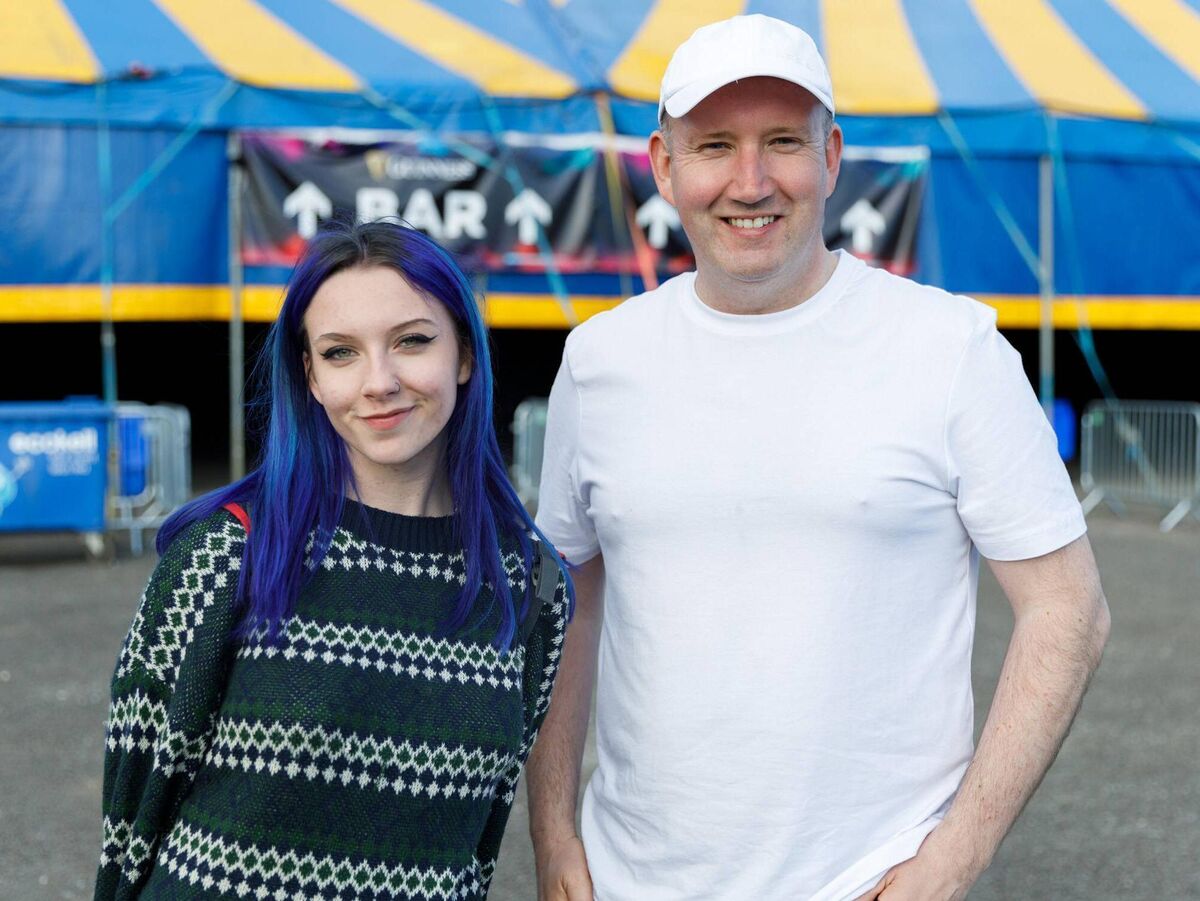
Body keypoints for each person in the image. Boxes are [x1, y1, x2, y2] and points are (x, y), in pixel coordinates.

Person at [529, 14, 1109, 901]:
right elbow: (567, 604)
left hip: (869, 882)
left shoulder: (950, 350)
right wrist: (555, 835)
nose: (750, 180)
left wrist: (952, 859)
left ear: (832, 156)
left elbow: (1068, 612)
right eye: (715, 144)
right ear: (664, 164)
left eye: (784, 142)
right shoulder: (600, 361)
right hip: (630, 880)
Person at [95, 220, 572, 900]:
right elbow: (130, 815)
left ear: (464, 354)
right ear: (310, 376)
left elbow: (476, 843)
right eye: (341, 352)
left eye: (412, 340)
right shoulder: (228, 553)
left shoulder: (533, 583)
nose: (379, 381)